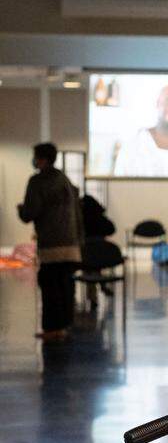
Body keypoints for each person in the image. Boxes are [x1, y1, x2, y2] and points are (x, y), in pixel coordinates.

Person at [18, 143, 83, 343]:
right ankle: (63, 327)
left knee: (49, 287)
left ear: (42, 159)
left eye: (35, 157)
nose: (34, 160)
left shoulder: (38, 181)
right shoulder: (64, 179)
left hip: (52, 245)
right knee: (65, 287)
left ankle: (52, 329)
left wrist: (21, 209)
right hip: (71, 245)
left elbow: (30, 213)